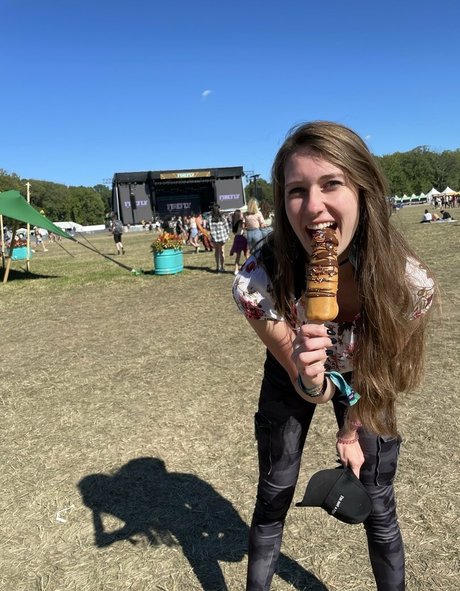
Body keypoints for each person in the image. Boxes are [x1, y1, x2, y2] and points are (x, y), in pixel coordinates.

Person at [232, 121, 437, 591]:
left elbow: (379, 372)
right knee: (274, 494)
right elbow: (313, 387)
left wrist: (352, 428)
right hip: (294, 373)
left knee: (377, 500)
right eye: (296, 190)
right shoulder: (257, 282)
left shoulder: (409, 286)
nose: (313, 206)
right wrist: (309, 375)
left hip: (368, 377)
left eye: (331, 184)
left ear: (363, 192)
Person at [209, 204, 230, 272]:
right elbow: (226, 226)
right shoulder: (222, 217)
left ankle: (217, 266)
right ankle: (222, 266)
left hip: (215, 237)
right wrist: (227, 234)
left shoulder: (210, 218)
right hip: (222, 236)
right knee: (222, 251)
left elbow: (210, 228)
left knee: (217, 251)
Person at [230, 209, 248, 275]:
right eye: (241, 213)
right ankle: (249, 268)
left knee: (238, 256)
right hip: (242, 238)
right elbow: (244, 228)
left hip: (236, 238)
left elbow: (234, 232)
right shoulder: (241, 221)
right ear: (239, 215)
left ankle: (236, 269)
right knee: (246, 254)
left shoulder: (233, 222)